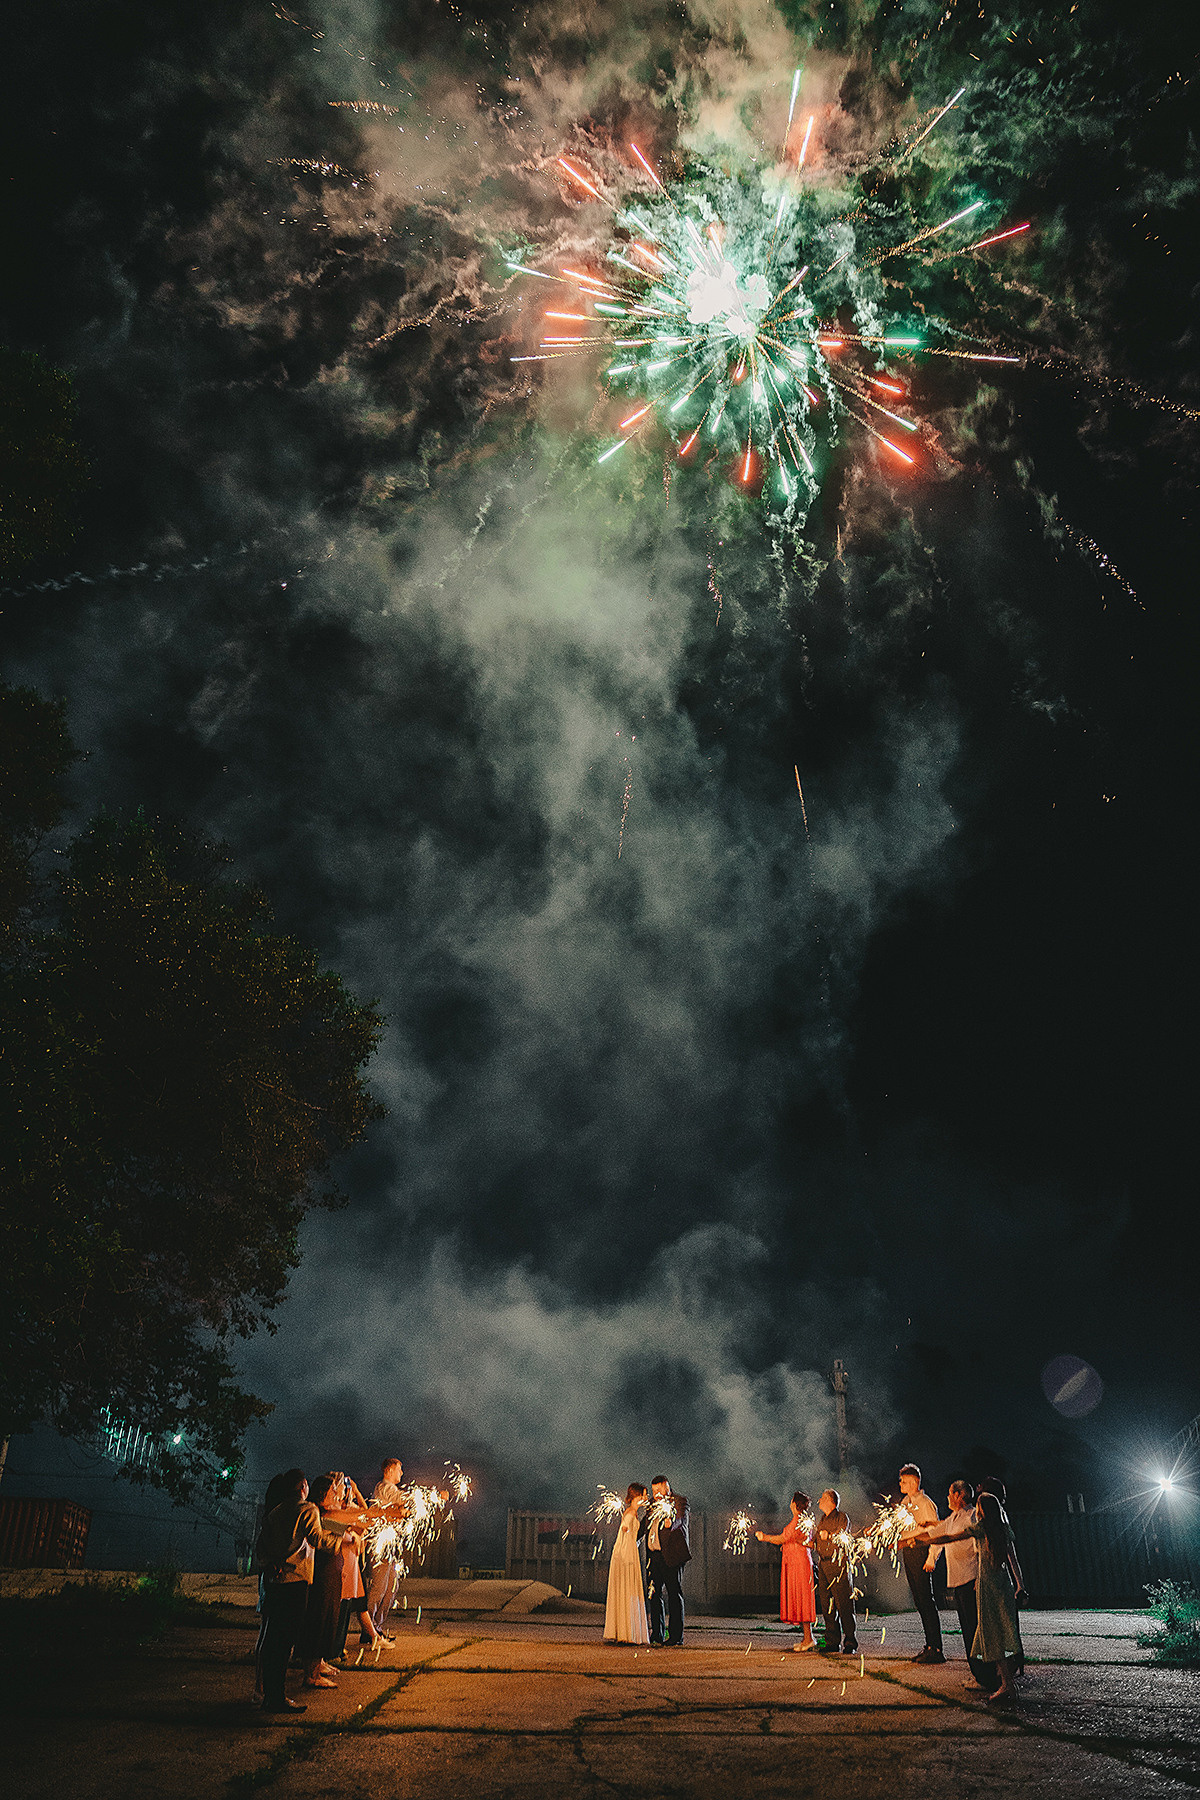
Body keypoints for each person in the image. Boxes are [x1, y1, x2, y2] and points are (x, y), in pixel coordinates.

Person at [254, 1468, 357, 1715]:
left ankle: (268, 1693)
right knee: (284, 1642)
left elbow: (261, 1545)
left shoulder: (276, 1511)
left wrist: (270, 1564)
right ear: (302, 1487)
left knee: (272, 1640)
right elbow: (318, 1540)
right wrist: (342, 1539)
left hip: (274, 1581)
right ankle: (276, 1698)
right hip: (295, 1580)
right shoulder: (306, 1509)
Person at [915, 1490, 1023, 1703]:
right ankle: (1006, 1681)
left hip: (987, 1587)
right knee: (1005, 1631)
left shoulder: (981, 1528)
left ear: (983, 1511)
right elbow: (1014, 1561)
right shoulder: (1004, 1529)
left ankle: (1005, 1684)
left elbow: (951, 1537)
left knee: (992, 1633)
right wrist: (1020, 1586)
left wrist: (923, 1541)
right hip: (1004, 1585)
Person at [922, 1479, 997, 1693]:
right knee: (967, 1629)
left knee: (975, 1629)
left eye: (949, 1493)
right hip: (958, 1580)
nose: (947, 1497)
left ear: (958, 1495)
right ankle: (978, 1674)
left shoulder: (972, 1515)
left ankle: (986, 1675)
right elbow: (936, 1533)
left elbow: (979, 1548)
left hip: (972, 1580)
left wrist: (979, 1578)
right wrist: (908, 1539)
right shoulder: (953, 1517)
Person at [755, 1491, 818, 1649]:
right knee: (799, 1598)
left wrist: (765, 1537)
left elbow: (783, 1538)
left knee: (801, 1598)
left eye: (791, 1501)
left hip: (799, 1564)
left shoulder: (798, 1522)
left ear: (794, 1504)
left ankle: (809, 1639)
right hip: (796, 1562)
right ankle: (807, 1637)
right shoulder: (802, 1520)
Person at [896, 1462, 944, 1664]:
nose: (901, 1484)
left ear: (915, 1482)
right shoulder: (904, 1503)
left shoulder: (925, 1504)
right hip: (909, 1550)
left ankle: (936, 1648)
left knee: (926, 1600)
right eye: (901, 1481)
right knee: (919, 1600)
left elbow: (935, 1533)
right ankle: (929, 1645)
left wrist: (932, 1558)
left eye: (905, 1481)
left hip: (921, 1552)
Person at [639, 1476, 691, 1647]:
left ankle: (676, 1636)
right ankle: (658, 1633)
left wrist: (671, 1522)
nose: (656, 1495)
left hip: (671, 1556)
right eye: (653, 1491)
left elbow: (680, 1519)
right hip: (653, 1556)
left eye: (658, 1491)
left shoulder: (679, 1501)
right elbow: (644, 1525)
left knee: (674, 1594)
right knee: (654, 1594)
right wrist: (633, 1538)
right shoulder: (653, 1504)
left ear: (667, 1487)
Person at [366, 1457, 410, 1636]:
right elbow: (405, 1500)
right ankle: (369, 1629)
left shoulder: (388, 1489)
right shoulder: (386, 1488)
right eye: (399, 1469)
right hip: (382, 1544)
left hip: (390, 1544)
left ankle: (377, 1627)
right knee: (380, 1588)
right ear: (389, 1471)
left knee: (391, 1587)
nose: (402, 1473)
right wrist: (437, 1495)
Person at [811, 1489, 858, 1655]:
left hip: (838, 1566)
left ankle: (850, 1642)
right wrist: (811, 1544)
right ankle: (832, 1641)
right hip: (823, 1566)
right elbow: (817, 1540)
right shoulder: (822, 1519)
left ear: (831, 1501)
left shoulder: (841, 1517)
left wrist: (829, 1536)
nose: (819, 1501)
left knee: (844, 1604)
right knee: (827, 1605)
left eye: (823, 1498)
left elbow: (844, 1537)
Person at [604, 1484, 651, 1645]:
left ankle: (627, 1630)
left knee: (627, 1591)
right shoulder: (630, 1513)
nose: (646, 1498)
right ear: (637, 1496)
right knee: (628, 1590)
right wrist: (625, 1529)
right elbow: (625, 1530)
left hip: (629, 1553)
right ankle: (628, 1632)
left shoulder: (633, 1513)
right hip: (627, 1556)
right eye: (644, 1495)